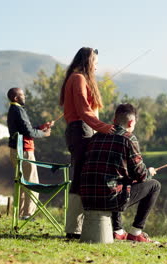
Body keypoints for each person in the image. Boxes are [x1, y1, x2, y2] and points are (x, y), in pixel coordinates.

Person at [80, 103, 160, 242]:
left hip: (87, 198)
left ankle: (118, 230)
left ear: (114, 120)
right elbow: (141, 175)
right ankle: (135, 232)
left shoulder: (96, 137)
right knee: (154, 185)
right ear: (131, 122)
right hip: (109, 199)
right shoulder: (128, 138)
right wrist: (149, 172)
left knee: (117, 180)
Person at [59, 47, 114, 238]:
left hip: (81, 130)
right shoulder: (78, 78)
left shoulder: (75, 78)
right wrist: (104, 127)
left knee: (82, 177)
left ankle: (77, 228)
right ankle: (73, 230)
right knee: (80, 179)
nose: (97, 68)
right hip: (80, 130)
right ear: (88, 61)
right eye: (95, 63)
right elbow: (84, 110)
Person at [7, 87, 54, 220]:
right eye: (22, 95)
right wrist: (45, 134)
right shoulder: (19, 110)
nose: (25, 97)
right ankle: (28, 214)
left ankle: (20, 214)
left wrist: (41, 127)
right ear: (16, 98)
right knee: (32, 183)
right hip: (25, 152)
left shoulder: (13, 110)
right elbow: (29, 133)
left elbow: (26, 129)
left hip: (15, 151)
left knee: (22, 183)